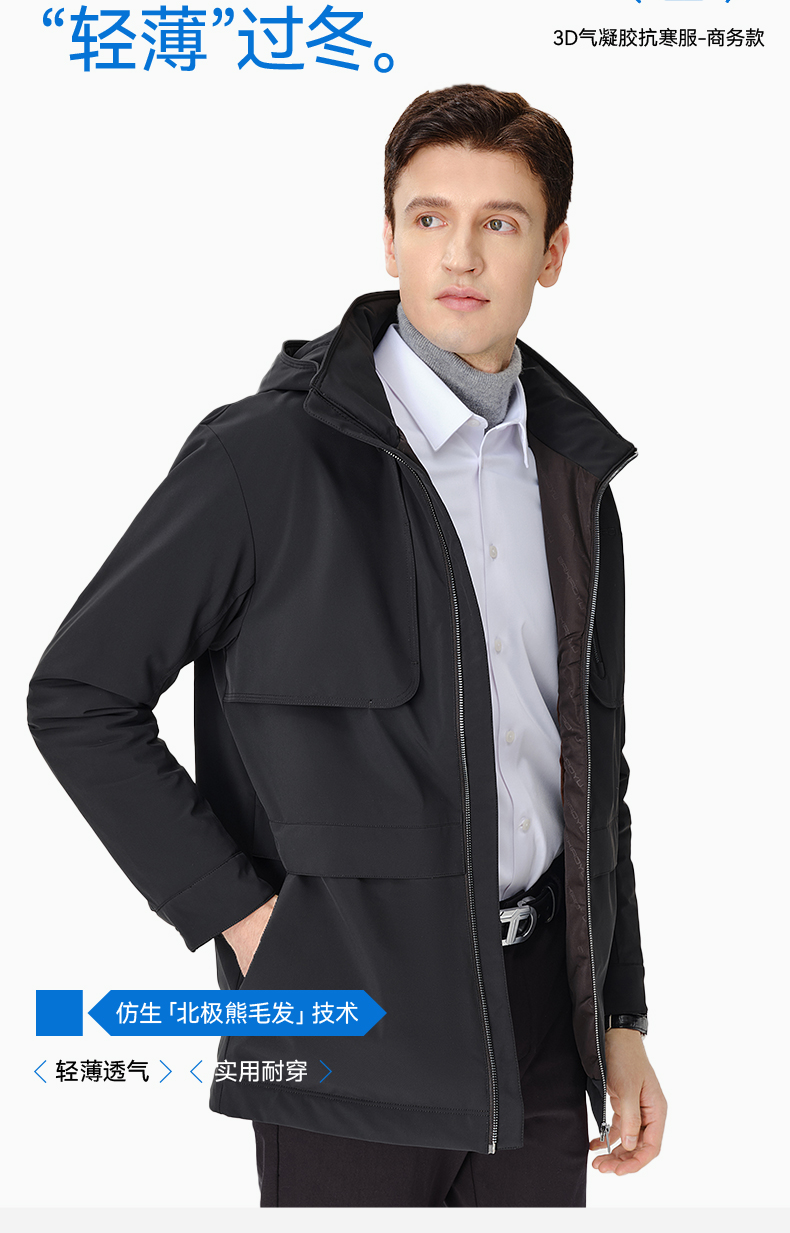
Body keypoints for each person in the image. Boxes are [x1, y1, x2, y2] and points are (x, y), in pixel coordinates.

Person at [27, 83, 667, 1207]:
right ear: (388, 238)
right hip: (343, 1024)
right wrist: (246, 920)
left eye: (500, 221)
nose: (460, 253)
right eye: (429, 217)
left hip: (540, 1032)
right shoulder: (265, 458)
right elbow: (79, 696)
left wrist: (618, 1015)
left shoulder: (574, 483)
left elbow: (588, 767)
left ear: (553, 252)